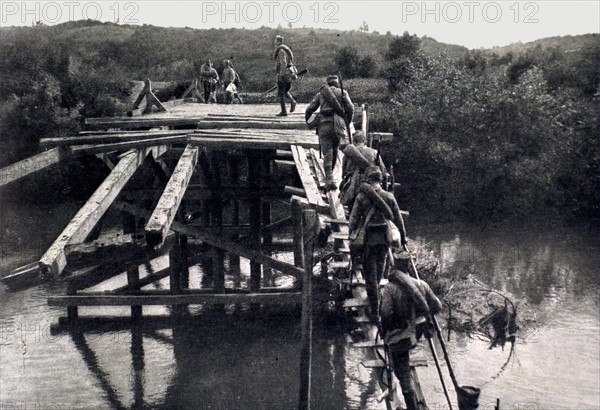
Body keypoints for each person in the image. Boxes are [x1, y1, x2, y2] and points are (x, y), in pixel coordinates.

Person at [381, 251, 442, 410]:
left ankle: (412, 406)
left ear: (395, 265)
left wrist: (384, 331)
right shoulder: (421, 284)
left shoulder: (389, 288)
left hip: (400, 336)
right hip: (417, 332)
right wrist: (419, 316)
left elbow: (386, 314)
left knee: (403, 374)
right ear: (408, 266)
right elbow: (437, 307)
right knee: (404, 360)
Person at [348, 165, 405, 319]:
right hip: (385, 240)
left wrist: (351, 235)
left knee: (369, 274)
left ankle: (375, 309)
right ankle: (377, 300)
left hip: (368, 240)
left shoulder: (362, 196)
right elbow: (398, 219)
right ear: (380, 180)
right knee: (379, 270)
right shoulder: (389, 196)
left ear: (368, 179)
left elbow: (353, 219)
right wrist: (403, 238)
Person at [305, 75, 354, 191]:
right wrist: (348, 121)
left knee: (327, 152)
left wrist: (308, 121)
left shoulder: (321, 94)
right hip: (338, 124)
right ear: (336, 84)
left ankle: (329, 179)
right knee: (335, 150)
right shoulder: (343, 93)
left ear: (327, 83)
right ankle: (330, 177)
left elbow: (309, 109)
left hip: (323, 124)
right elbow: (350, 107)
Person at [340, 130, 386, 212]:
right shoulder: (374, 152)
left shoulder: (348, 152)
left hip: (353, 186)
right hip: (370, 184)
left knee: (352, 209)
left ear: (354, 141)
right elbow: (383, 171)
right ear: (365, 141)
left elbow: (343, 172)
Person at [274, 35, 297, 116]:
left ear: (278, 42)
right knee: (285, 91)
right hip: (289, 73)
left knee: (281, 93)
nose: (275, 42)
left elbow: (283, 63)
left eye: (276, 41)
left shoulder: (280, 50)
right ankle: (292, 101)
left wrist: (281, 75)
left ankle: (284, 111)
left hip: (284, 74)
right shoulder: (287, 50)